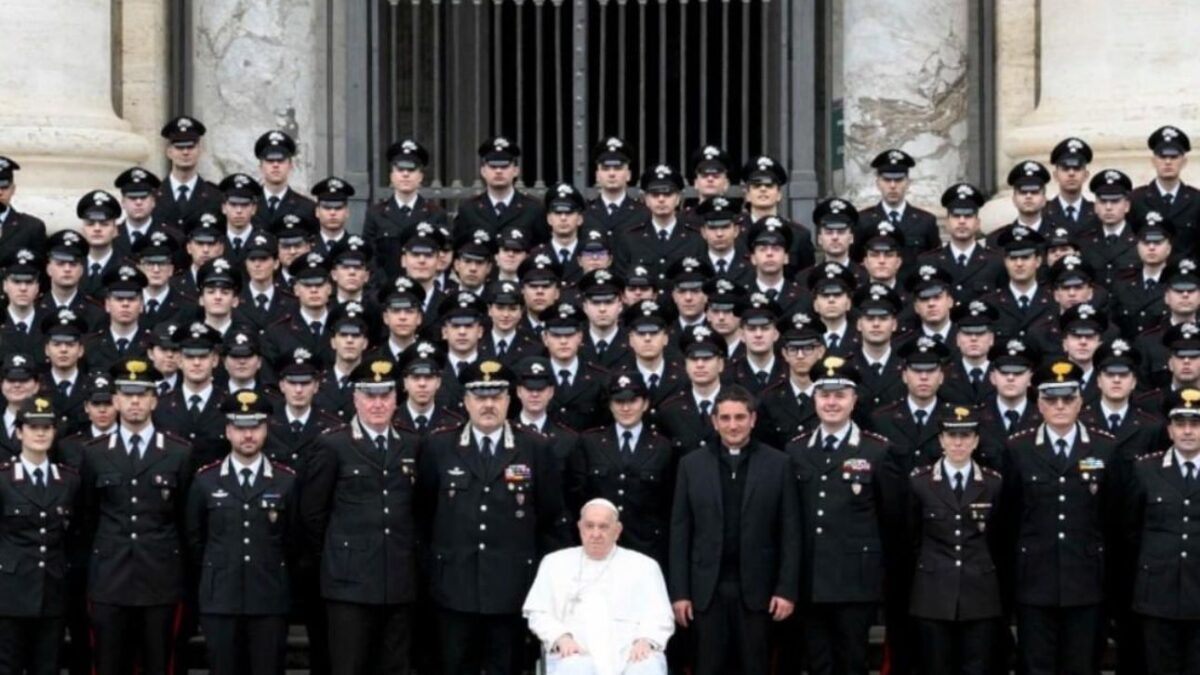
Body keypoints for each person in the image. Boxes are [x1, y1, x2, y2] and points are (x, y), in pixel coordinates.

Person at [417, 359, 570, 675]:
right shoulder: (439, 446)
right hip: (453, 586)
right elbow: (423, 513)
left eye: (496, 397)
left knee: (507, 666)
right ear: (465, 401)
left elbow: (550, 515)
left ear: (509, 398)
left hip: (512, 586)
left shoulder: (535, 448)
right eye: (480, 397)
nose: (488, 405)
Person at [1000, 359, 1122, 675]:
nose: (1060, 406)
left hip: (1086, 579)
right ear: (1038, 402)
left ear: (1081, 400)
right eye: (1051, 398)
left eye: (1068, 398)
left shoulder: (1104, 447)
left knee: (1082, 664)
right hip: (1034, 580)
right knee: (1035, 664)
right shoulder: (1018, 448)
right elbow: (1009, 517)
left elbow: (1113, 518)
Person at [669, 385, 799, 675]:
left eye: (740, 417)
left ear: (753, 419)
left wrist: (786, 590)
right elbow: (680, 532)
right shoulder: (691, 465)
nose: (733, 425)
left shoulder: (779, 464)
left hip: (759, 592)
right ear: (714, 421)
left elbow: (790, 532)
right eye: (725, 418)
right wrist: (680, 592)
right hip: (706, 591)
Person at [79, 357, 192, 675]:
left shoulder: (178, 452)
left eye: (142, 394)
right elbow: (88, 516)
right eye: (128, 395)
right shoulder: (95, 452)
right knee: (108, 663)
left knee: (160, 663)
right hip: (109, 577)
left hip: (160, 576)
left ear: (154, 400)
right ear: (115, 400)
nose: (134, 402)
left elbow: (184, 518)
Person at [185, 390, 298, 675]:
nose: (248, 435)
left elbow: (294, 540)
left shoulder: (286, 480)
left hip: (269, 598)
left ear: (266, 429)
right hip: (220, 598)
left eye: (255, 427)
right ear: (227, 430)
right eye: (240, 427)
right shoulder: (205, 480)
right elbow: (195, 539)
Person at [524, 498, 674, 675]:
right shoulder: (555, 563)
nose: (596, 534)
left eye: (603, 527)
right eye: (589, 526)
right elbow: (538, 612)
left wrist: (646, 639)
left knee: (647, 666)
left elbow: (661, 615)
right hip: (575, 651)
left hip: (630, 652)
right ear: (580, 528)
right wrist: (560, 637)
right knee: (572, 667)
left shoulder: (645, 566)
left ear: (617, 531)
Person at [906, 405, 1005, 675]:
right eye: (951, 436)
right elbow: (911, 537)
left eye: (966, 436)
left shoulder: (993, 483)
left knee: (977, 666)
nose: (958, 442)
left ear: (975, 441)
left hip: (979, 591)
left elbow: (999, 538)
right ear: (941, 440)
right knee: (936, 666)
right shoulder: (920, 482)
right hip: (933, 591)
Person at [0, 397, 81, 675]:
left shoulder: (68, 480)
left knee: (48, 666)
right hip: (10, 593)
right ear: (19, 432)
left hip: (53, 590)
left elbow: (75, 533)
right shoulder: (4, 479)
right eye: (33, 426)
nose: (40, 433)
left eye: (47, 427)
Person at [1125, 387, 1200, 675]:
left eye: (1195, 424)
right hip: (1157, 591)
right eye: (1181, 424)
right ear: (1169, 430)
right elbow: (1130, 529)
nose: (1188, 432)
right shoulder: (1145, 470)